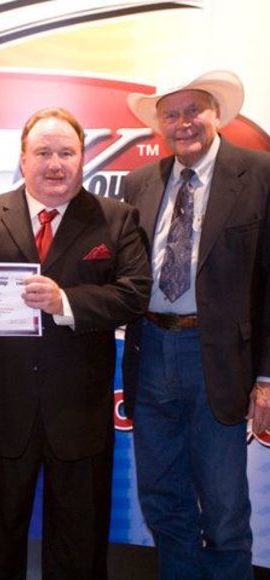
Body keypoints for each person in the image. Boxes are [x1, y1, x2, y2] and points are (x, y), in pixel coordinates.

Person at [0, 107, 151, 579]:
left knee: (80, 545)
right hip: (1, 407)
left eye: (66, 152)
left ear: (82, 158)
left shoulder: (115, 218)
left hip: (79, 410)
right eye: (43, 152)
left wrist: (65, 301)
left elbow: (134, 294)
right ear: (23, 159)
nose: (55, 164)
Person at [121, 70, 270, 579]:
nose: (183, 123)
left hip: (219, 358)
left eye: (193, 110)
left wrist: (266, 377)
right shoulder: (140, 182)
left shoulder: (260, 174)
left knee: (225, 509)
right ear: (159, 124)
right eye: (171, 114)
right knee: (163, 500)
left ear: (216, 114)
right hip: (150, 351)